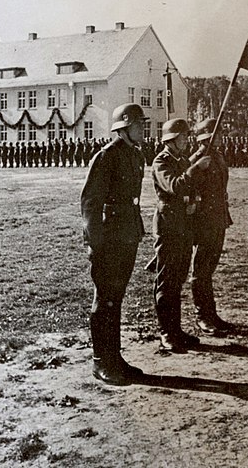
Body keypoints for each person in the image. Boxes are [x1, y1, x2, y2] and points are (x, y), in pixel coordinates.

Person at [81, 103, 147, 386]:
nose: (142, 129)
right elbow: (90, 203)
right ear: (124, 127)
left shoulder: (135, 155)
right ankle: (101, 362)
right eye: (138, 125)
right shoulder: (106, 157)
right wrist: (95, 243)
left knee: (116, 298)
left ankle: (114, 357)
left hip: (127, 235)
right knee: (105, 298)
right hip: (108, 238)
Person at [152, 118, 211, 353]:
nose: (187, 140)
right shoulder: (161, 162)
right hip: (169, 227)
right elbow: (175, 186)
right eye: (183, 137)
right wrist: (196, 169)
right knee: (166, 281)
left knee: (177, 279)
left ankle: (176, 330)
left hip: (184, 226)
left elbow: (190, 188)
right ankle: (166, 332)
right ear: (171, 140)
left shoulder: (182, 159)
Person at [190, 118, 233, 335]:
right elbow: (189, 185)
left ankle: (211, 314)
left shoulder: (217, 157)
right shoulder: (198, 159)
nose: (222, 137)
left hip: (218, 218)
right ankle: (202, 316)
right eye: (218, 134)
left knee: (210, 267)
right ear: (207, 136)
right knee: (201, 269)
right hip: (205, 220)